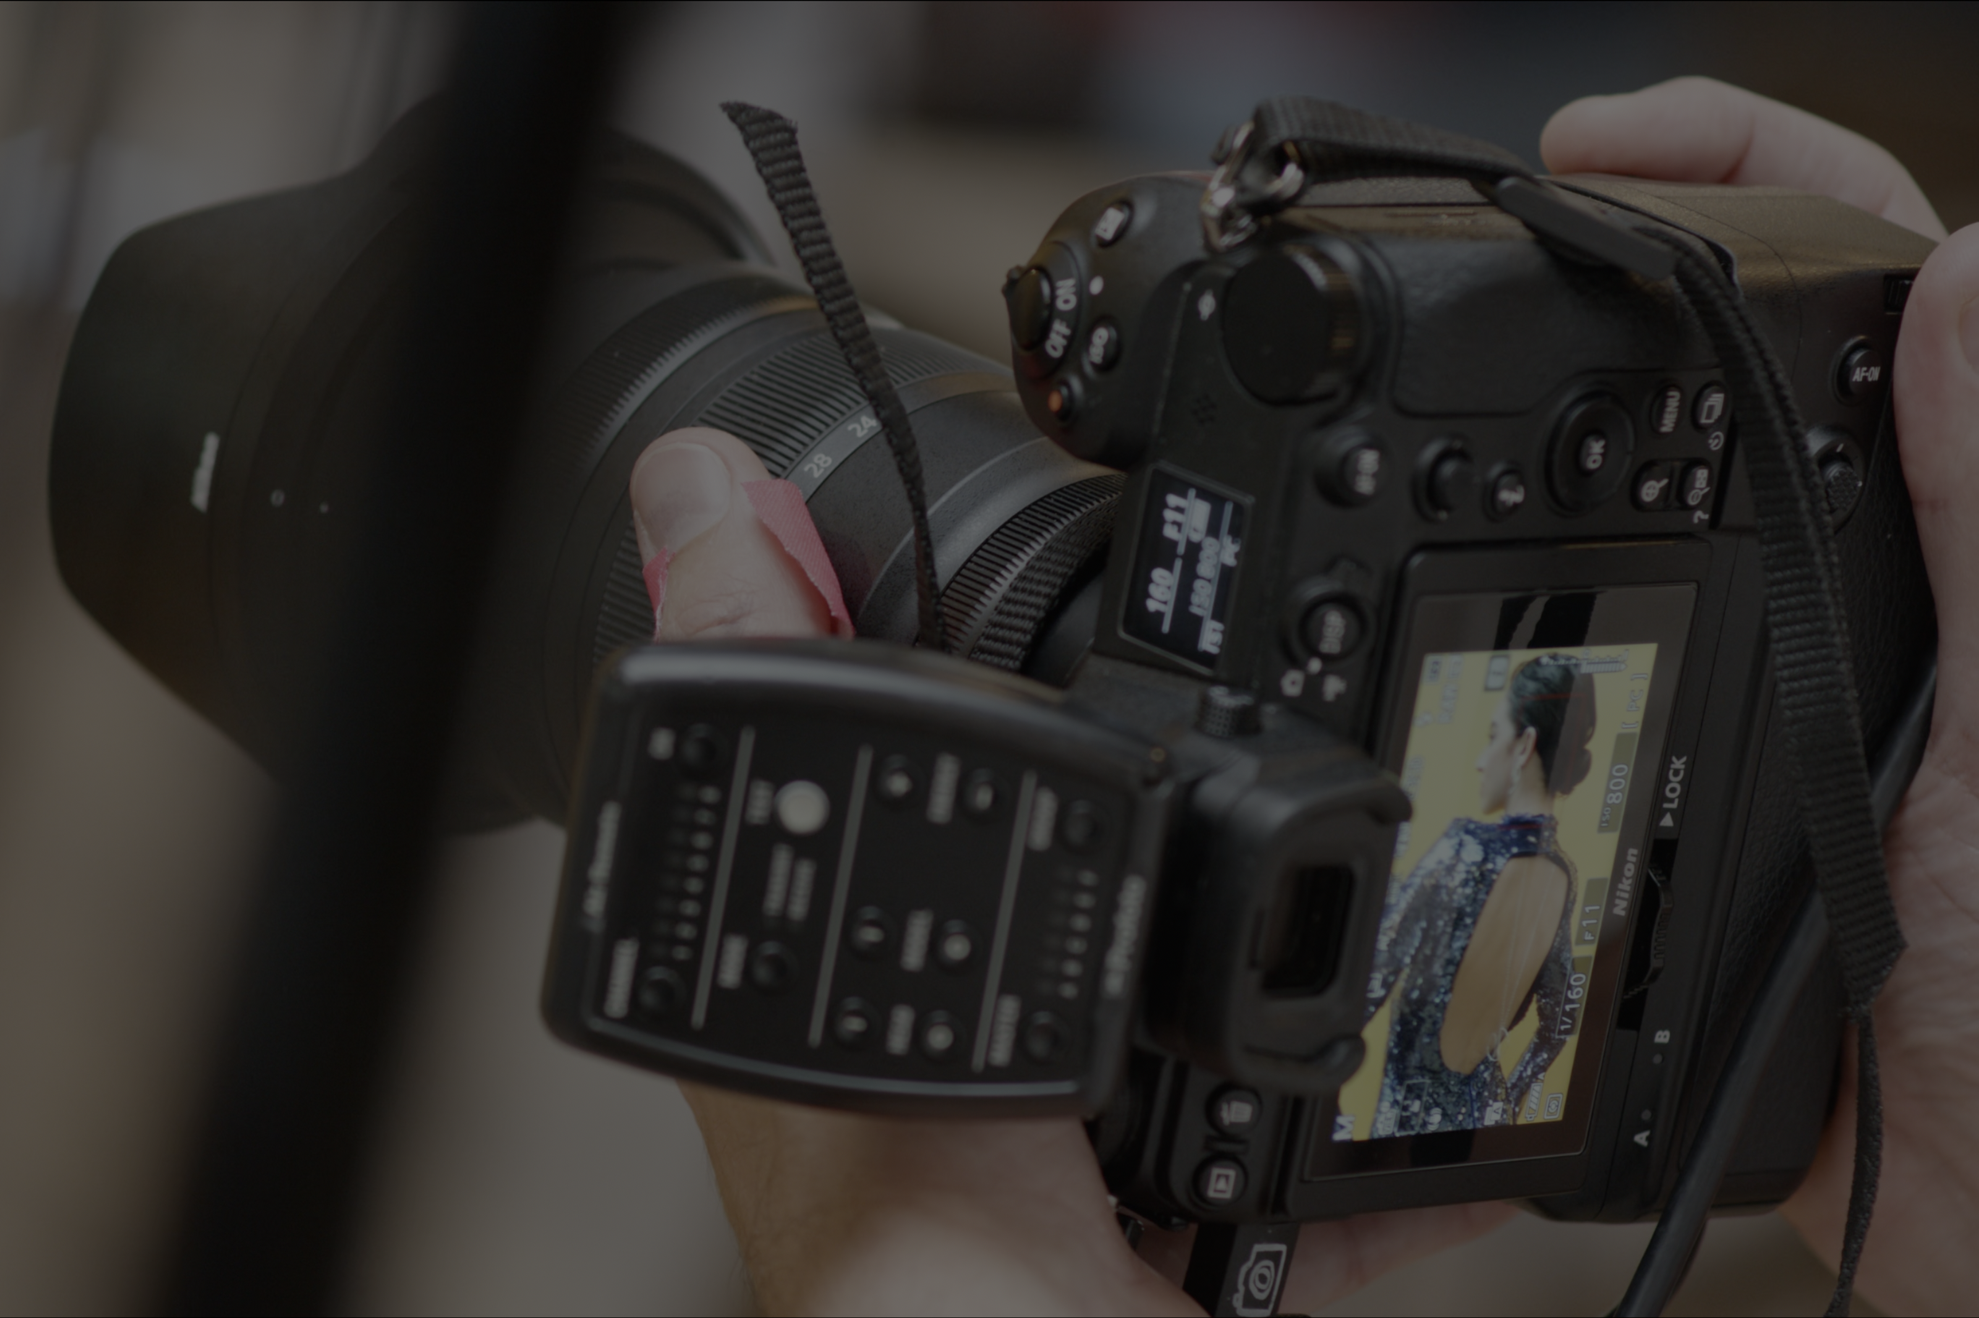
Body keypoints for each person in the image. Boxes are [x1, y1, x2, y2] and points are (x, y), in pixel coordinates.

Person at [624, 78, 1975, 1315]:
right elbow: (1545, 1013)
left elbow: (1410, 981)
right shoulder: (1549, 876)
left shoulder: (1467, 857)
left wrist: (908, 1274)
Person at [1364, 655, 1591, 1137]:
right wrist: (1513, 1101)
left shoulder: (1464, 849)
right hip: (1484, 1119)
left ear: (1525, 744)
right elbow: (1561, 1019)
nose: (1481, 759)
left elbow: (1373, 974)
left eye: (1493, 737)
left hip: (1409, 1127)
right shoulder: (1563, 875)